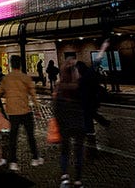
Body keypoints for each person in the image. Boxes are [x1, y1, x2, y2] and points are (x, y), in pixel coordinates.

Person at [0, 54, 43, 172]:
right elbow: (33, 94)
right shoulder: (25, 77)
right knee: (30, 136)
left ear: (11, 65)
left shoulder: (7, 79)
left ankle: (13, 162)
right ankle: (35, 158)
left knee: (13, 138)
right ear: (20, 65)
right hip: (25, 111)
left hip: (13, 112)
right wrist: (37, 108)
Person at [54, 57, 86, 187]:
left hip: (65, 125)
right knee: (78, 152)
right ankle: (78, 179)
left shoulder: (60, 88)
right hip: (78, 124)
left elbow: (56, 109)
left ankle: (65, 177)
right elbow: (86, 104)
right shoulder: (80, 87)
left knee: (65, 151)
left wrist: (59, 123)